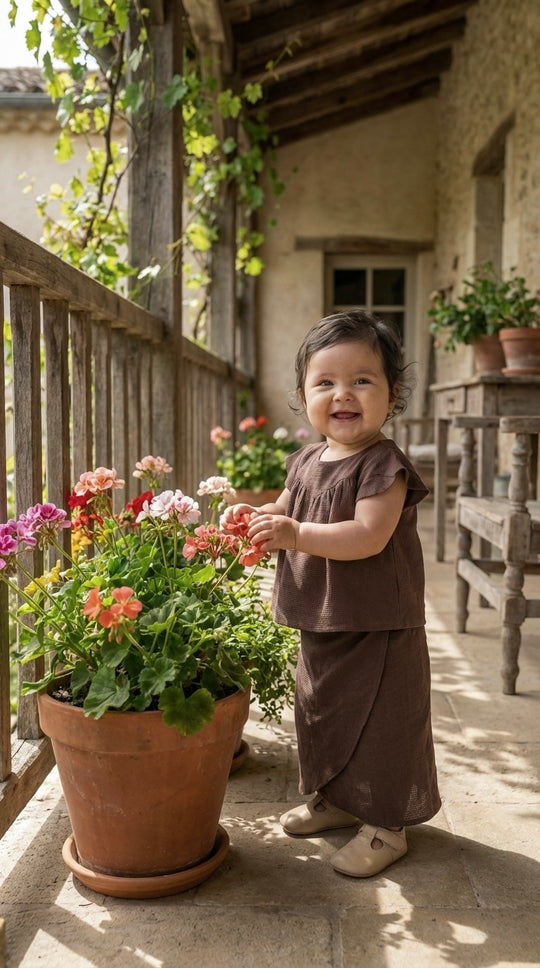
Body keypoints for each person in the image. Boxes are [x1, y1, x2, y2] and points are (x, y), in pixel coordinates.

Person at [222, 309, 441, 878]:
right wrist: (260, 516)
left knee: (383, 722)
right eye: (326, 382)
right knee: (325, 714)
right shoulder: (305, 461)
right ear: (303, 395)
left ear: (392, 395)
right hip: (323, 615)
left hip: (378, 622)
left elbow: (368, 536)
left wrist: (293, 534)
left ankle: (386, 825)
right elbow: (289, 509)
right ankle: (341, 799)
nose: (343, 394)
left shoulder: (383, 466)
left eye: (362, 380)